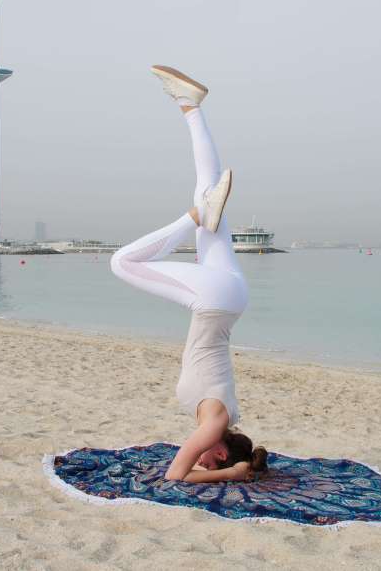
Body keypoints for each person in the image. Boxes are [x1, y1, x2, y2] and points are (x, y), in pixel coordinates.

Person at [110, 66, 269, 483]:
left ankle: (189, 106)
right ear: (220, 449)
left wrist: (236, 465)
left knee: (207, 186)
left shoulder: (227, 413)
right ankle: (194, 217)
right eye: (209, 459)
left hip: (232, 298)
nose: (202, 459)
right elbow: (175, 477)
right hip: (214, 301)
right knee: (123, 263)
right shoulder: (214, 425)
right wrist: (230, 475)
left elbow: (199, 462)